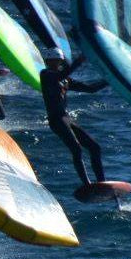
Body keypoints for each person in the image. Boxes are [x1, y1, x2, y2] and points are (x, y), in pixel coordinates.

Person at [40, 52, 109, 186]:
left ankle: (102, 183)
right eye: (53, 60)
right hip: (56, 120)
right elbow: (60, 75)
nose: (56, 63)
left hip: (66, 119)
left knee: (95, 147)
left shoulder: (65, 80)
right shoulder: (46, 74)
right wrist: (79, 61)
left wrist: (109, 80)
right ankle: (87, 184)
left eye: (59, 60)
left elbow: (90, 89)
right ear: (47, 61)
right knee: (76, 149)